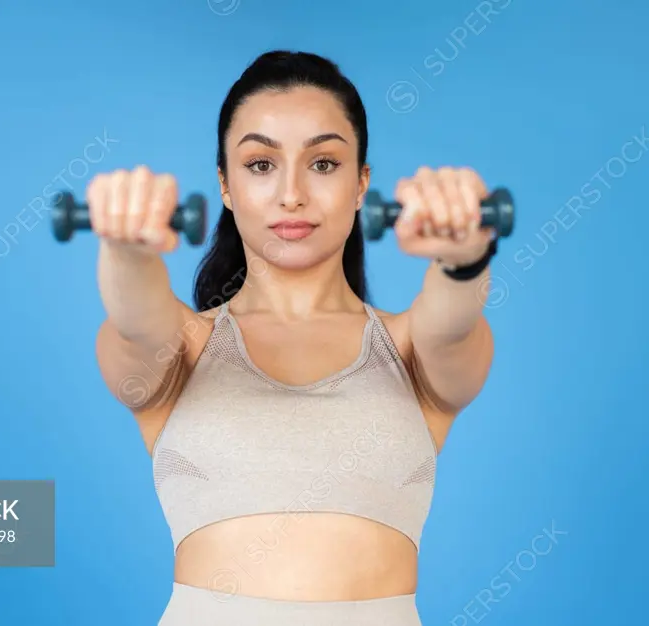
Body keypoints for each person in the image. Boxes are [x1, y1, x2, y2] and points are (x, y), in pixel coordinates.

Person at [89, 50, 497, 626]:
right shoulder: (184, 348)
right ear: (225, 186)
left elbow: (452, 323)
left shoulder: (409, 353)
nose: (291, 194)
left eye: (323, 163)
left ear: (362, 185)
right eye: (260, 164)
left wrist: (465, 256)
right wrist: (125, 247)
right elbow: (136, 318)